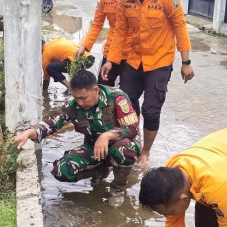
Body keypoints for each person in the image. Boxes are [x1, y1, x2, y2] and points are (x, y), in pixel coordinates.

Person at [101, 0, 193, 168]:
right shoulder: (126, 0)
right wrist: (110, 61)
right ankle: (133, 139)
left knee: (151, 109)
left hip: (159, 62)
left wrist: (186, 62)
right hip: (134, 60)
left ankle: (145, 152)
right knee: (126, 104)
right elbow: (120, 32)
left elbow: (181, 29)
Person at [13, 70, 140, 206]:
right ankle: (101, 168)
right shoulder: (72, 105)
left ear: (95, 90)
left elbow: (132, 129)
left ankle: (117, 189)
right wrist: (28, 132)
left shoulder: (117, 97)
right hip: (92, 147)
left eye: (83, 98)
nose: (79, 102)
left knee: (124, 149)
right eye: (76, 97)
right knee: (61, 170)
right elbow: (52, 123)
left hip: (120, 144)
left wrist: (107, 136)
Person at [74, 0, 130, 86]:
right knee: (102, 88)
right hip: (110, 50)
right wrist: (85, 45)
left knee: (129, 95)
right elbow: (97, 24)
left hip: (130, 54)